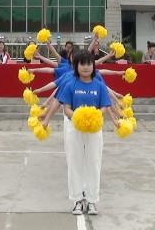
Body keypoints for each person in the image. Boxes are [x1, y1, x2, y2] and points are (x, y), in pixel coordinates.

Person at [57, 51, 118, 216]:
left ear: (93, 66)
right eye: (82, 64)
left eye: (89, 64)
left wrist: (98, 115)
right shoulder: (71, 84)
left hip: (94, 130)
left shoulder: (98, 85)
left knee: (94, 163)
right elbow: (66, 108)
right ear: (76, 66)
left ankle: (92, 200)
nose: (86, 67)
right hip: (74, 128)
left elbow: (105, 105)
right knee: (74, 163)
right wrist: (77, 116)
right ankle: (77, 199)